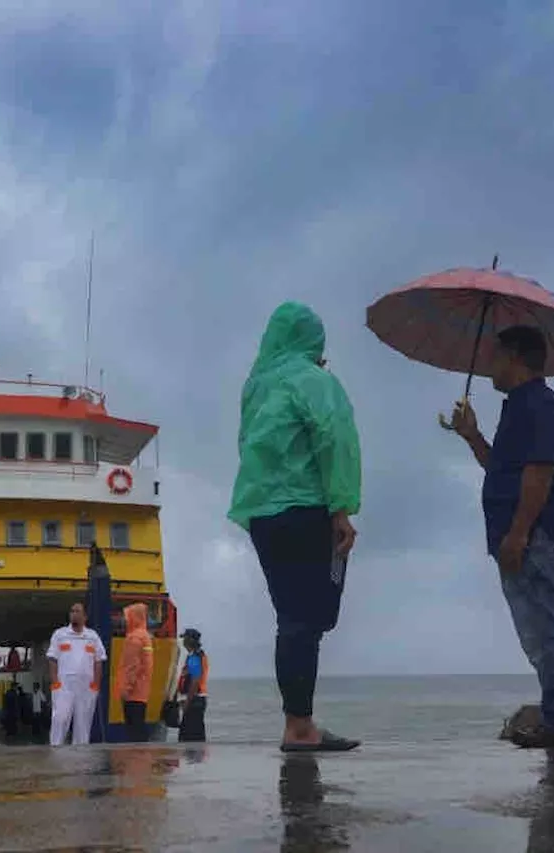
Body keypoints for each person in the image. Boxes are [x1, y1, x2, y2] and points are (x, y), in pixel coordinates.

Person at [449, 324, 554, 749]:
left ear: (514, 355)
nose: (489, 364)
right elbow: (504, 470)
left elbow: (540, 473)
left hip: (539, 537)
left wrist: (517, 535)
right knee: (542, 633)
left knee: (550, 630)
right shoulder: (520, 406)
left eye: (495, 354)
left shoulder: (539, 405)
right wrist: (472, 435)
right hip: (529, 536)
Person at [227, 301, 362, 752]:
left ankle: (297, 722)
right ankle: (300, 726)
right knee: (309, 619)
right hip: (306, 508)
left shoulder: (255, 388)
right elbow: (335, 438)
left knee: (291, 618)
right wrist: (342, 508)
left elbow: (250, 446)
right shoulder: (315, 381)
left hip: (263, 514)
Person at [47, 601, 107, 745]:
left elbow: (99, 661)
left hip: (86, 688)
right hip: (64, 687)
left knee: (83, 723)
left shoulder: (92, 637)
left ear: (85, 616)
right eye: (72, 611)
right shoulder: (60, 635)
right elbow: (52, 659)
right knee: (60, 719)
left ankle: (81, 758)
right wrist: (55, 683)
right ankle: (56, 751)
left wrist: (96, 686)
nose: (73, 614)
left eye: (77, 611)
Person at [118, 602, 155, 742]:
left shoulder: (134, 638)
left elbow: (131, 666)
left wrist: (126, 689)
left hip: (132, 693)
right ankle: (141, 758)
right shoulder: (145, 636)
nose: (125, 620)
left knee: (134, 731)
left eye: (127, 616)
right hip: (142, 691)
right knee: (139, 728)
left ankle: (137, 760)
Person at [175, 628, 208, 742]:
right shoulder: (197, 655)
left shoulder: (194, 657)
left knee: (189, 737)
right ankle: (196, 758)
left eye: (185, 638)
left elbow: (194, 681)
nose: (183, 641)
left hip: (194, 701)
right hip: (196, 700)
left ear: (189, 640)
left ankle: (194, 758)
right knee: (194, 735)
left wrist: (186, 703)